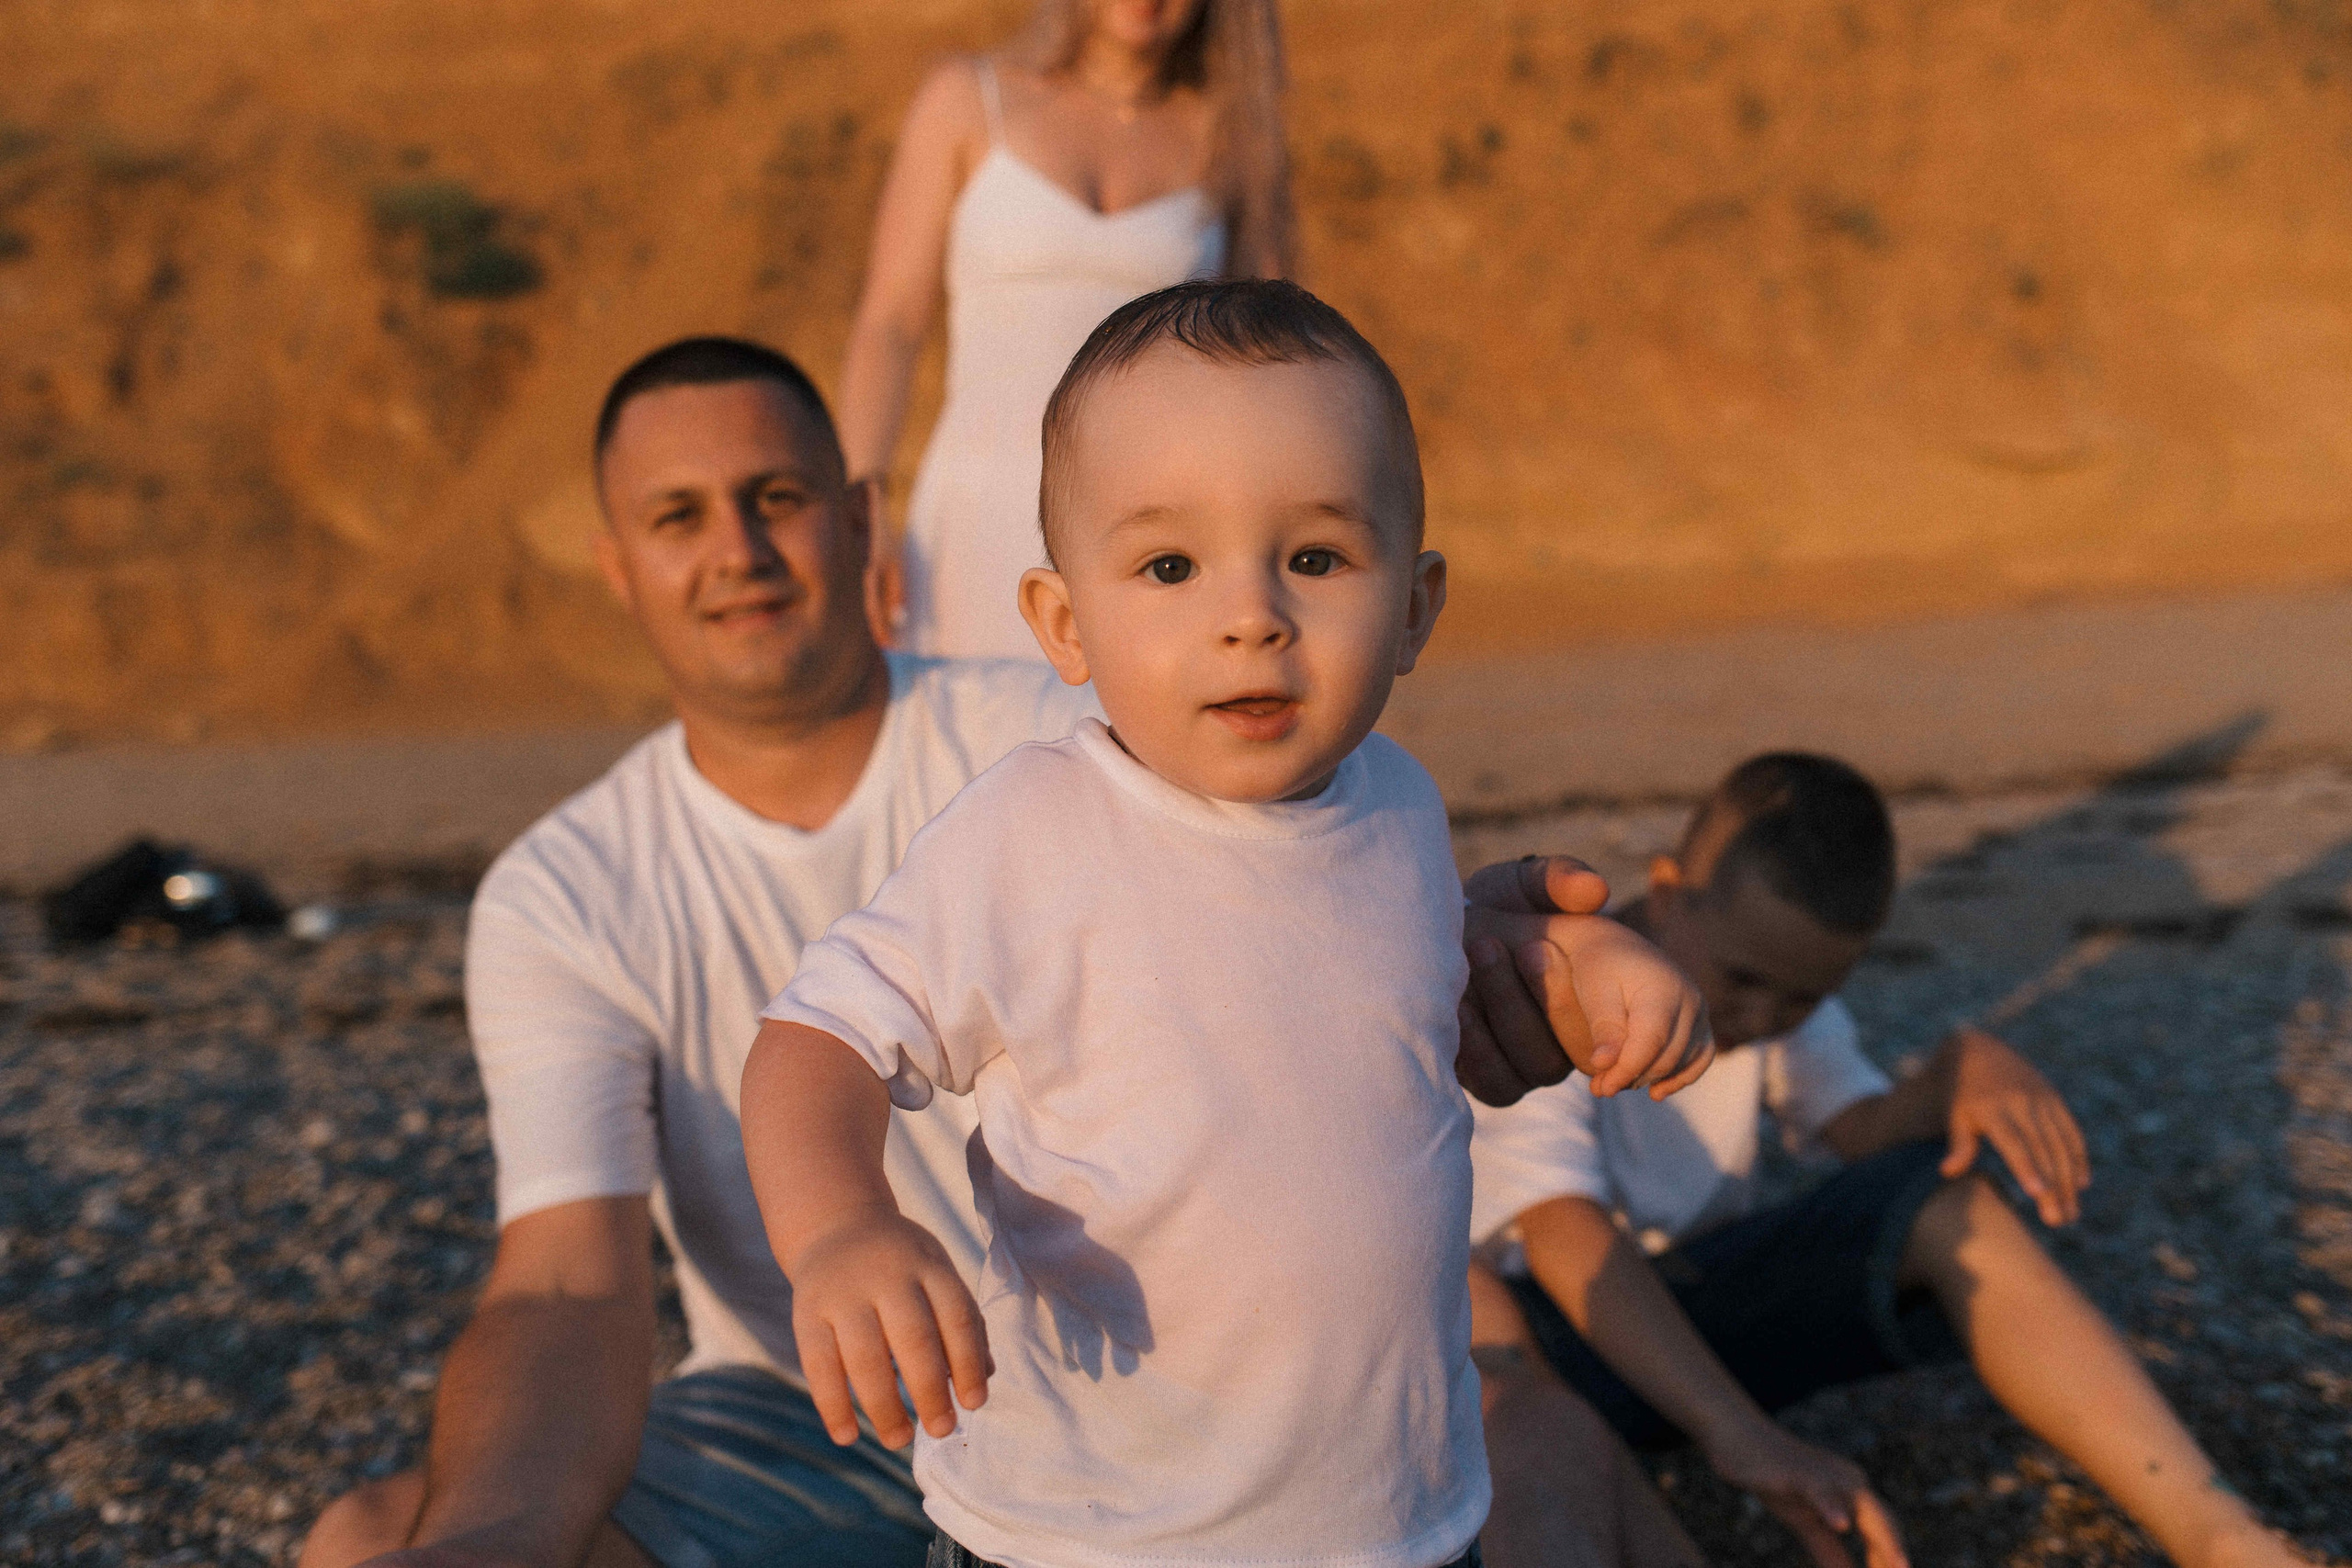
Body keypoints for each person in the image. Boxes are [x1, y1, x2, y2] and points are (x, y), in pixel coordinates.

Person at [295, 333, 1710, 1568]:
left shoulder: (1134, 722)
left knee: (1527, 1436)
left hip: (1248, 1426)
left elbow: (1305, 970)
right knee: (384, 1540)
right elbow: (564, 1276)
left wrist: (1516, 960)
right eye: (680, 516)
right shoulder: (579, 884)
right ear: (617, 566)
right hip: (845, 1414)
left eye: (778, 497)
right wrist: (512, 1530)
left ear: (862, 523)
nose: (738, 547)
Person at [1467, 752, 2316, 1568]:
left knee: (1944, 1197)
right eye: (1742, 979)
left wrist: (1962, 1067)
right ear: (1668, 892)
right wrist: (1742, 1431)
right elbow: (1563, 1233)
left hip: (1685, 1327)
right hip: (1538, 1346)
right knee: (1514, 1355)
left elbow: (1865, 1133)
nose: (1763, 1014)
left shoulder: (1774, 994)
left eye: (1802, 995)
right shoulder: (1566, 989)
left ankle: (2222, 1534)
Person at [836, 0, 1292, 661]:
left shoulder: (1229, 141)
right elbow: (891, 322)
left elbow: (1263, 365)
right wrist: (861, 504)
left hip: (1144, 522)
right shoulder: (966, 100)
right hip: (973, 512)